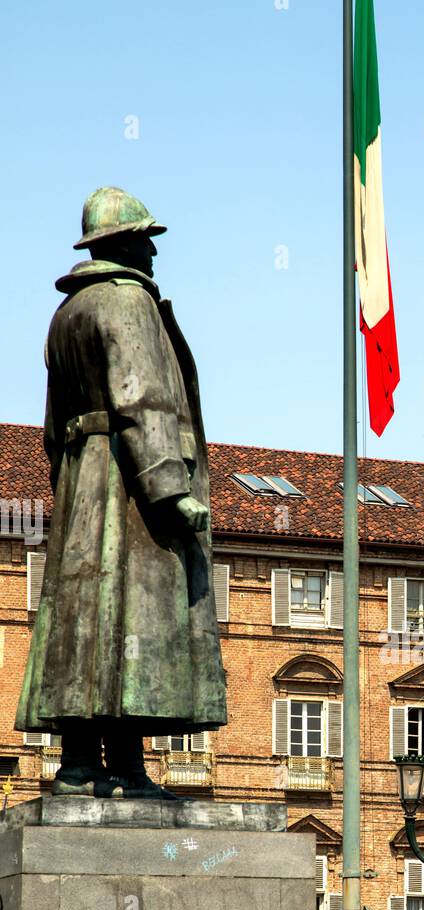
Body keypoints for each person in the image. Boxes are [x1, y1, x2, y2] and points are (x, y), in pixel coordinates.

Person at [16, 187, 227, 798]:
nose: (153, 256)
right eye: (146, 241)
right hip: (128, 483)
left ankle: (80, 766)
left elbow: (53, 425)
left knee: (87, 627)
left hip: (84, 479)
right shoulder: (129, 302)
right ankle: (130, 770)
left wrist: (70, 475)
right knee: (135, 622)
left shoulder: (66, 315)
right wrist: (170, 488)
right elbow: (144, 398)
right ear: (124, 244)